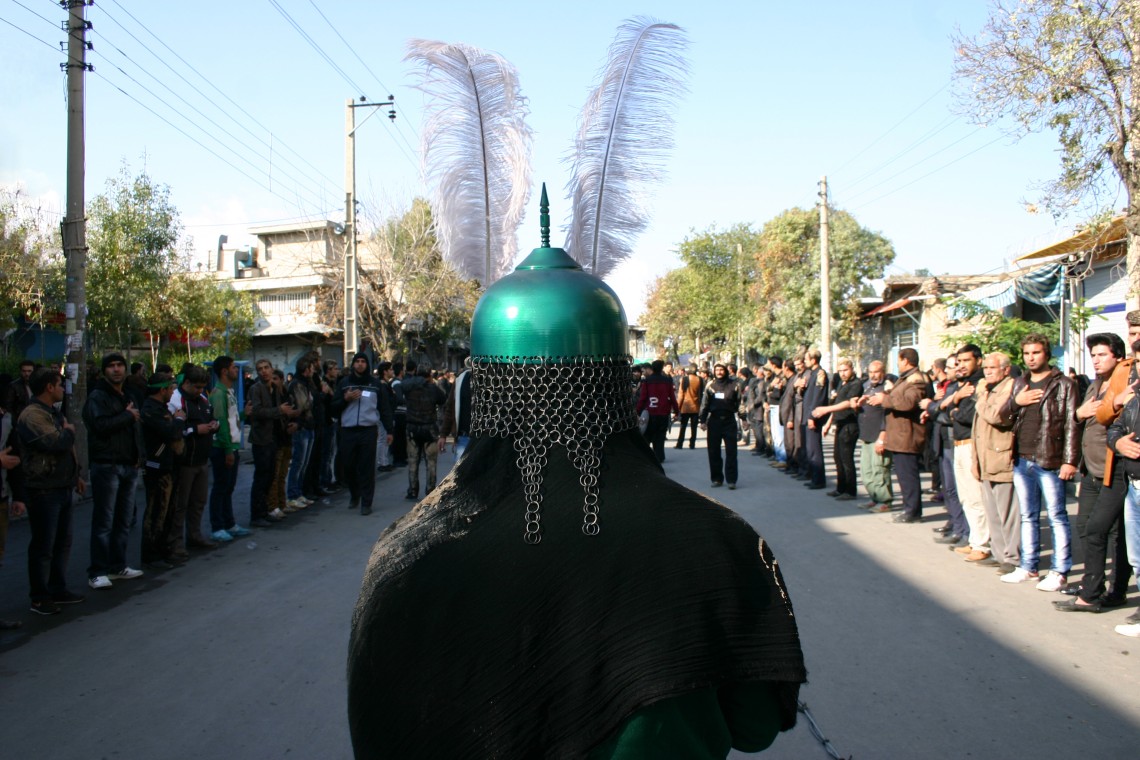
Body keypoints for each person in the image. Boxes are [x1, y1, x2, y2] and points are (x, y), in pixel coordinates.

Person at [347, 217, 805, 758]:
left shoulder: (409, 548)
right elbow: (755, 725)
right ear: (614, 382)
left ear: (487, 388)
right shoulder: (713, 539)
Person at [1055, 332, 1132, 611]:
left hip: (1115, 470)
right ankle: (1092, 584)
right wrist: (1079, 413)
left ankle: (1112, 590)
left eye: (1102, 355)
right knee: (1087, 529)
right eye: (1093, 355)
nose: (1096, 361)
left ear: (1118, 357)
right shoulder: (1094, 385)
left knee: (1112, 535)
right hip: (1091, 470)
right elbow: (1078, 419)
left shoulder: (1124, 385)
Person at [1000, 334, 1079, 591]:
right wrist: (1016, 401)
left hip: (1050, 459)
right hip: (1022, 458)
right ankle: (1029, 567)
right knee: (1028, 516)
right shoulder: (1019, 383)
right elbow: (1004, 417)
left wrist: (1069, 461)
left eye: (1036, 352)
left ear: (1046, 354)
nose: (1031, 358)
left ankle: (1059, 570)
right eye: (1026, 354)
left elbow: (1071, 424)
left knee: (1057, 516)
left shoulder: (1063, 384)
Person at [16, 367, 87, 616]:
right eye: (59, 384)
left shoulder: (52, 412)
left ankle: (57, 588)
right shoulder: (32, 415)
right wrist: (68, 431)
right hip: (43, 488)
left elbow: (66, 448)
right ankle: (39, 597)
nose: (61, 389)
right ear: (48, 387)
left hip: (61, 485)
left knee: (62, 542)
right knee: (43, 545)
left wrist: (75, 475)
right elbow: (55, 443)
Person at [83, 353, 145, 590]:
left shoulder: (128, 395)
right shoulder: (97, 397)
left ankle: (117, 565)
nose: (116, 370)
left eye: (120, 366)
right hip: (106, 464)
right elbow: (99, 426)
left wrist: (139, 457)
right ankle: (97, 571)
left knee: (123, 519)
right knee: (104, 521)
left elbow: (135, 428)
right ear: (104, 371)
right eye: (111, 366)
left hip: (128, 464)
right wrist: (126, 416)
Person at [972, 352, 1020, 574]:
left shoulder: (1010, 388)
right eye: (986, 369)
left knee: (1008, 512)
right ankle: (999, 553)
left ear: (1006, 369)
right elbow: (979, 429)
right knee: (993, 512)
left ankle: (1012, 556)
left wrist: (980, 399)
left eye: (993, 368)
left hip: (1001, 457)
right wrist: (975, 460)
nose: (988, 372)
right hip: (985, 458)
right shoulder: (989, 390)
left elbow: (997, 416)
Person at [331, 353, 394, 515]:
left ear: (367, 364)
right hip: (348, 430)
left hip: (368, 429)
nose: (360, 365)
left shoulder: (375, 384)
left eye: (363, 362)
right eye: (357, 362)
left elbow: (384, 409)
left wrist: (389, 430)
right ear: (353, 365)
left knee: (366, 467)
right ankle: (354, 493)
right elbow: (333, 408)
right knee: (348, 465)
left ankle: (366, 502)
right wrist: (345, 399)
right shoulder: (344, 383)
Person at [869, 347, 927, 523]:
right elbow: (898, 396)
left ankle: (913, 511)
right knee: (903, 475)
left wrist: (884, 400)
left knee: (908, 475)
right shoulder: (906, 379)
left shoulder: (915, 379)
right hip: (900, 435)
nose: (897, 364)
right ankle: (909, 508)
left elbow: (909, 402)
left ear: (905, 360)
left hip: (907, 435)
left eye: (899, 361)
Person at [168, 365, 219, 555]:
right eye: (196, 387)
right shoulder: (175, 400)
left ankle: (194, 535)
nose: (199, 391)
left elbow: (212, 418)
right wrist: (195, 430)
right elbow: (174, 430)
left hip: (202, 459)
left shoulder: (203, 399)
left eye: (202, 387)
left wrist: (214, 425)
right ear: (187, 383)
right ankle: (175, 542)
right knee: (180, 504)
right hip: (184, 461)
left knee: (198, 501)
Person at [139, 372, 186, 570]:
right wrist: (178, 420)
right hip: (157, 466)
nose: (172, 392)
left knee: (168, 510)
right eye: (170, 388)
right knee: (156, 511)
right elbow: (169, 431)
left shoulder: (161, 408)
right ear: (162, 390)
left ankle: (163, 549)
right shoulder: (150, 409)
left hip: (169, 464)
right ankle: (151, 554)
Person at [207, 356, 251, 543]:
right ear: (224, 371)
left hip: (230, 446)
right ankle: (217, 526)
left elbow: (232, 419)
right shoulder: (218, 394)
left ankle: (229, 523)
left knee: (228, 487)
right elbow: (221, 423)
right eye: (233, 367)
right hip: (222, 447)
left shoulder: (229, 391)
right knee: (220, 487)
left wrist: (244, 414)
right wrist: (227, 450)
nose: (236, 370)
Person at [811, 358, 860, 501]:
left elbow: (847, 404)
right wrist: (828, 424)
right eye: (840, 370)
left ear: (852, 369)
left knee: (846, 459)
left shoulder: (856, 384)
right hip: (840, 423)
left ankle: (850, 491)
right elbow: (837, 403)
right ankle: (840, 488)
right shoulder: (841, 384)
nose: (843, 373)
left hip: (850, 425)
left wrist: (826, 409)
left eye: (846, 370)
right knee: (837, 458)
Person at [402, 365, 447, 500]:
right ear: (429, 375)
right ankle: (430, 490)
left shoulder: (409, 387)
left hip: (412, 428)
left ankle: (412, 490)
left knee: (413, 461)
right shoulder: (433, 389)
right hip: (429, 428)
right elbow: (443, 400)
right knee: (431, 462)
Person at [856, 360, 893, 511]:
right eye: (871, 372)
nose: (873, 375)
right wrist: (859, 403)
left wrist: (882, 438)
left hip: (879, 435)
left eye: (876, 371)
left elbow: (888, 416)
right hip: (866, 434)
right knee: (866, 471)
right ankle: (874, 497)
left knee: (880, 470)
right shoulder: (866, 386)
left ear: (883, 372)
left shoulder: (888, 388)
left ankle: (884, 501)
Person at [700, 363, 741, 489]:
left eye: (721, 369)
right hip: (714, 421)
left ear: (726, 371)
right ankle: (717, 479)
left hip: (729, 421)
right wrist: (702, 420)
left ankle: (731, 480)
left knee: (731, 452)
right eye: (717, 370)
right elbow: (704, 404)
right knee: (713, 451)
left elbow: (740, 403)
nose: (719, 372)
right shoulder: (710, 386)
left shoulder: (734, 385)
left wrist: (744, 419)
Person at [637, 359, 679, 463]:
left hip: (650, 413)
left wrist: (637, 411)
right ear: (662, 368)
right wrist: (677, 411)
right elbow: (672, 398)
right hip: (663, 412)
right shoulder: (667, 381)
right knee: (660, 436)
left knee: (647, 435)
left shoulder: (647, 381)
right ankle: (660, 456)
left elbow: (643, 398)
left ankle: (647, 456)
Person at [674, 365, 703, 450]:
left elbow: (681, 394)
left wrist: (677, 407)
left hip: (685, 406)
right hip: (696, 406)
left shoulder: (684, 379)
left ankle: (680, 443)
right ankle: (692, 443)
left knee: (683, 426)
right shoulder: (699, 379)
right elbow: (700, 394)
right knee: (694, 427)